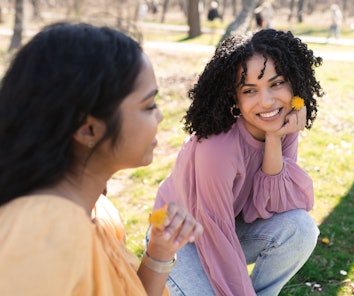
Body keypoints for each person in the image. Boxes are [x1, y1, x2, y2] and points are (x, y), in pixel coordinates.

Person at [0, 22, 203, 296]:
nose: (160, 117)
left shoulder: (99, 210)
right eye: (149, 105)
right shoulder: (44, 231)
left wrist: (160, 251)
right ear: (88, 129)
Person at [151, 29, 324, 295]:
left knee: (300, 229)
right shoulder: (216, 147)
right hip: (179, 238)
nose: (266, 101)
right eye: (250, 90)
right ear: (235, 97)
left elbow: (274, 206)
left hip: (230, 226)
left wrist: (275, 139)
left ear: (294, 83)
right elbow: (214, 232)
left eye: (276, 83)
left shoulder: (281, 124)